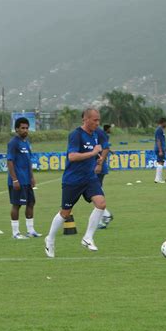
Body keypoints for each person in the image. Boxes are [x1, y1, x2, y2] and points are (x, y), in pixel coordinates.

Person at [44, 108, 108, 258]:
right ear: (85, 119)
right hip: (72, 180)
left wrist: (98, 160)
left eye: (99, 120)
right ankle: (50, 239)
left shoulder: (96, 134)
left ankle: (88, 237)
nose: (97, 123)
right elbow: (72, 156)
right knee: (65, 213)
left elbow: (104, 148)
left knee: (101, 203)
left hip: (89, 178)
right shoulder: (76, 135)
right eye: (95, 120)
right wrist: (92, 153)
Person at [7, 117, 41, 239]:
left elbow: (28, 161)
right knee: (17, 205)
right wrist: (14, 179)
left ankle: (30, 230)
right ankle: (15, 233)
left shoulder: (26, 143)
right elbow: (10, 161)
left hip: (27, 180)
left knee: (31, 203)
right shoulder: (13, 143)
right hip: (18, 181)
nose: (25, 130)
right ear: (17, 129)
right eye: (22, 128)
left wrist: (32, 177)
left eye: (27, 128)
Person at [96, 124, 114, 229]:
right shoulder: (99, 133)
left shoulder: (98, 133)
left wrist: (100, 164)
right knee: (97, 190)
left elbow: (105, 148)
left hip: (98, 167)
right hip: (98, 166)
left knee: (94, 192)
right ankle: (104, 216)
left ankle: (105, 215)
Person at [154, 117, 166, 183]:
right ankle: (158, 179)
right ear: (163, 122)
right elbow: (158, 140)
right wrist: (160, 150)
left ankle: (158, 178)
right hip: (160, 149)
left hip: (162, 148)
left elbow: (162, 140)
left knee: (161, 162)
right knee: (160, 162)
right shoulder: (159, 130)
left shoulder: (161, 129)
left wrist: (165, 148)